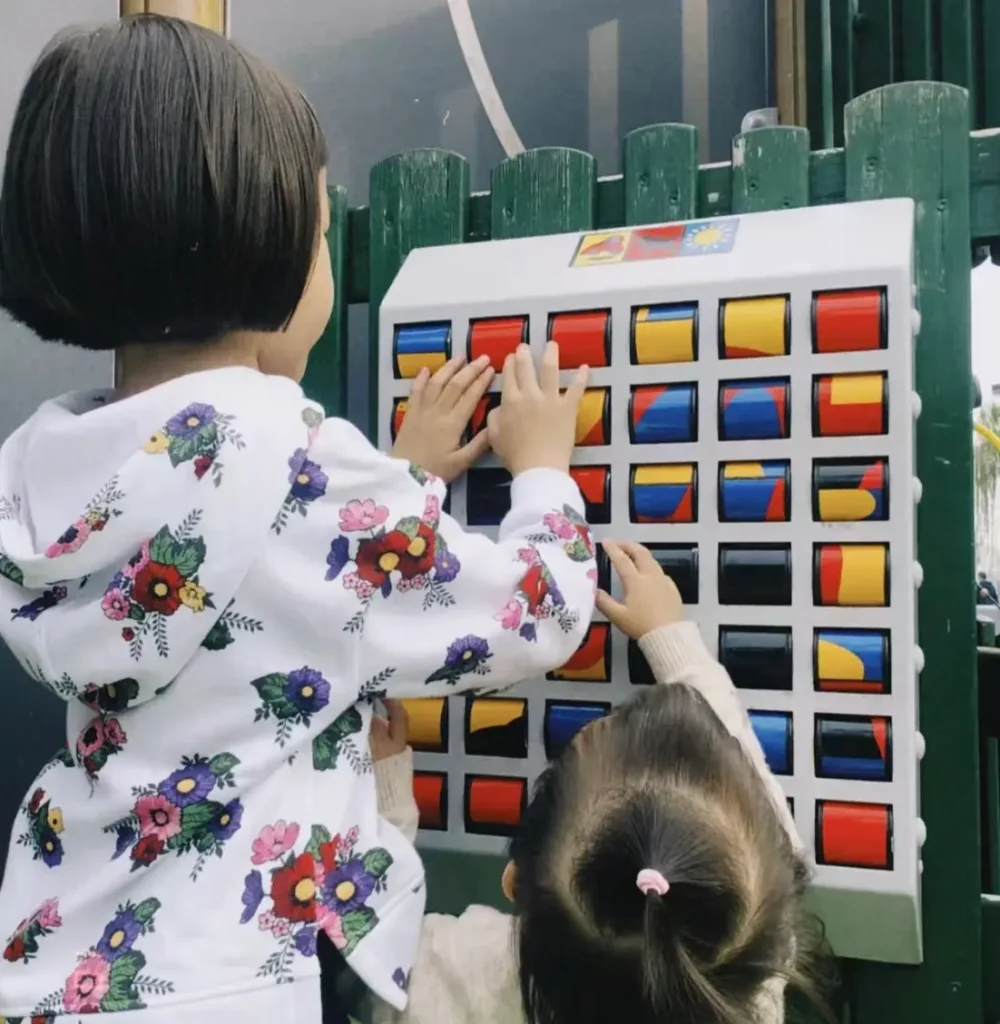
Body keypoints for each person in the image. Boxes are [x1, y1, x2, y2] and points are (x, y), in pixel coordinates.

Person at [0, 16, 596, 1024]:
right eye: (321, 230)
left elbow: (251, 594)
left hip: (61, 958)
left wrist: (399, 478)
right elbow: (534, 611)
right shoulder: (302, 464)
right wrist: (541, 474)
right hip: (236, 983)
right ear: (261, 249)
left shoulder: (51, 469)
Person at [369, 542, 833, 1024]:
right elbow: (755, 811)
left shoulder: (461, 976)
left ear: (514, 880)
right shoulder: (745, 962)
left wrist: (384, 798)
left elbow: (370, 952)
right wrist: (672, 641)